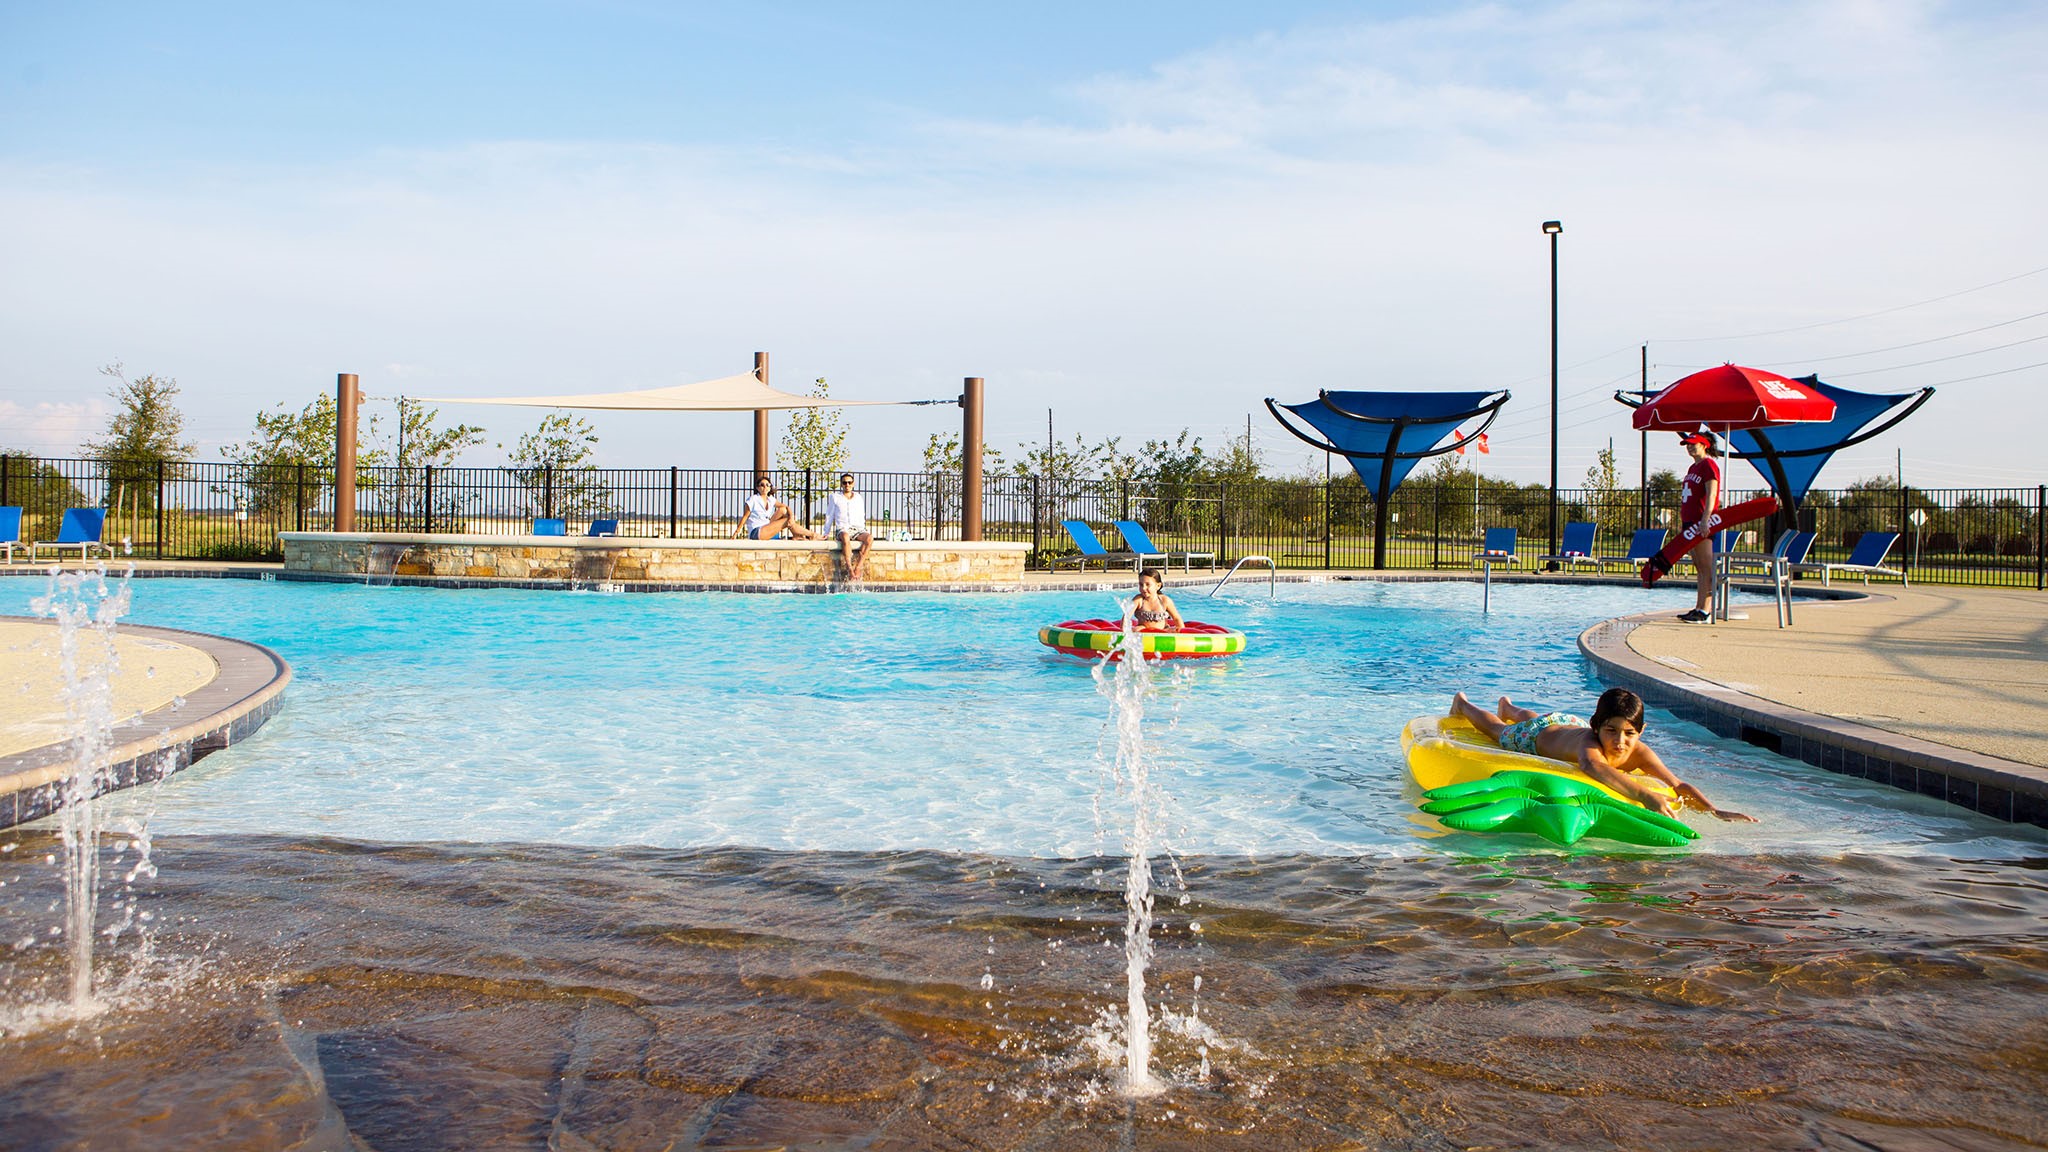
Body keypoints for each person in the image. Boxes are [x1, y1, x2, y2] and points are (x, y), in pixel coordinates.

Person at [1449, 688, 1754, 822]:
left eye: (1629, 734)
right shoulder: (1589, 744)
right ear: (1597, 728)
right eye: (1611, 732)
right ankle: (1465, 705)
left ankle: (1509, 706)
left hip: (1565, 722)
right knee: (1500, 731)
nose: (1620, 742)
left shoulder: (1638, 750)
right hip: (1537, 736)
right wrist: (1646, 796)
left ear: (1641, 731)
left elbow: (1676, 785)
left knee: (1536, 715)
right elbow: (1592, 766)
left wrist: (1713, 810)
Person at [1676, 430, 1721, 624]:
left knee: (1706, 566)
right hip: (1689, 523)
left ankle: (1706, 610)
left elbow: (1712, 494)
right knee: (1699, 567)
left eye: (1694, 443)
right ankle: (1698, 607)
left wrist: (1705, 519)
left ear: (1704, 445)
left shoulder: (1709, 465)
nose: (1690, 446)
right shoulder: (1692, 468)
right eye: (1687, 444)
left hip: (1702, 522)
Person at [822, 471, 874, 580]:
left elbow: (861, 514)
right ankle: (850, 568)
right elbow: (829, 515)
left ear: (853, 484)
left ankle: (858, 567)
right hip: (843, 528)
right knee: (845, 537)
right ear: (841, 484)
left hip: (857, 529)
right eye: (845, 483)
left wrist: (864, 529)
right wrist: (825, 533)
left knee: (869, 538)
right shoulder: (835, 497)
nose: (847, 485)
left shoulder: (858, 497)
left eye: (849, 483)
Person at [731, 477, 816, 541]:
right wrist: (736, 532)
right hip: (757, 531)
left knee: (783, 510)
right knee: (787, 520)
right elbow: (745, 516)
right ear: (757, 488)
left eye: (767, 485)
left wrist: (791, 516)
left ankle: (797, 534)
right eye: (762, 485)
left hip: (767, 527)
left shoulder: (771, 499)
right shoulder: (753, 499)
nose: (765, 487)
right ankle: (811, 535)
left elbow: (786, 507)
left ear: (770, 487)